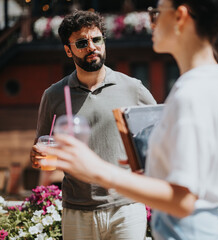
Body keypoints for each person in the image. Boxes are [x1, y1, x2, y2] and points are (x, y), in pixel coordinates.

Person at [39, 0, 218, 239]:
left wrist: (97, 169)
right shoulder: (214, 80)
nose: (150, 21)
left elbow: (184, 200)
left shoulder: (192, 94)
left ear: (180, 17)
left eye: (157, 12)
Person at [30, 10, 156, 240]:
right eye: (81, 42)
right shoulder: (54, 95)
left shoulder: (133, 88)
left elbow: (160, 135)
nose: (91, 47)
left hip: (126, 208)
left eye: (96, 39)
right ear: (68, 50)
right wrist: (39, 155)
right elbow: (42, 145)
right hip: (76, 210)